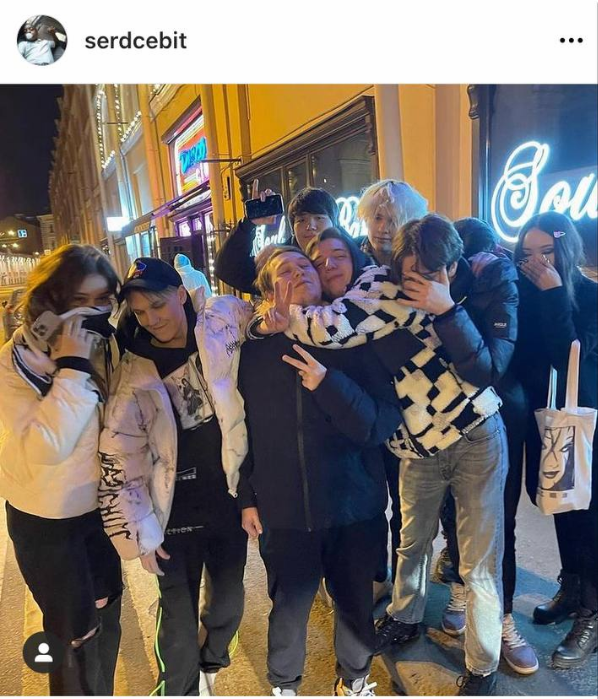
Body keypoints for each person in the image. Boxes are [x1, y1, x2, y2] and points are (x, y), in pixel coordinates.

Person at [281, 218, 515, 695]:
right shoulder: (373, 288)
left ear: (452, 267)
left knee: (477, 565)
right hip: (418, 446)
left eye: (338, 255)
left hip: (474, 432)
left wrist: (277, 315)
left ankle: (482, 666)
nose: (417, 284)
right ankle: (405, 617)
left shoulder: (430, 289)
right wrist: (270, 313)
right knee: (412, 542)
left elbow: (485, 368)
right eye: (319, 261)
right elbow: (335, 327)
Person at [239, 245, 402, 696]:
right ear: (268, 292)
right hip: (285, 511)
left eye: (303, 265)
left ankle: (355, 680)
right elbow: (240, 429)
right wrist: (247, 497)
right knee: (288, 610)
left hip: (354, 505)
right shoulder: (254, 351)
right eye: (284, 270)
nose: (298, 272)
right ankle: (284, 686)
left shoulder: (355, 339)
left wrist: (328, 384)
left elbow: (380, 423)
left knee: (354, 605)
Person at [99, 257, 249, 696]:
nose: (152, 319)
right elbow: (121, 456)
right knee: (178, 623)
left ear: (181, 294)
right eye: (140, 312)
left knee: (229, 604)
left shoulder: (218, 330)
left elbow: (259, 317)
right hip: (170, 514)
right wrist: (141, 534)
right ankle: (178, 689)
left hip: (225, 500)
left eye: (158, 305)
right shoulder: (133, 368)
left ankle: (211, 661)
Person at [0, 244, 123, 695]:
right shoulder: (14, 364)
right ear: (51, 302)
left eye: (103, 300)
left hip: (99, 510)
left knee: (107, 613)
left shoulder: (103, 343)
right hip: (46, 521)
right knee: (73, 636)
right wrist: (72, 368)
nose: (93, 312)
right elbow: (47, 447)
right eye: (79, 301)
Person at [512, 212, 598, 669]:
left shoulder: (590, 295)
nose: (537, 262)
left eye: (547, 252)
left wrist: (552, 294)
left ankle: (592, 613)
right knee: (560, 504)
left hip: (585, 423)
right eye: (528, 254)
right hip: (543, 420)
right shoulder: (522, 294)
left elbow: (570, 356)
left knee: (589, 515)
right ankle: (572, 587)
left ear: (566, 250)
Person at [215, 179, 339, 294]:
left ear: (334, 223)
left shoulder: (346, 254)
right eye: (301, 220)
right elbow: (226, 269)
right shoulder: (278, 262)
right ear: (293, 228)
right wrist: (249, 223)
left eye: (319, 218)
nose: (310, 226)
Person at [356, 179, 428, 265]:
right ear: (365, 217)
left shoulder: (420, 259)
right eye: (377, 218)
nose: (382, 229)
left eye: (393, 221)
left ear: (409, 225)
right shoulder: (349, 252)